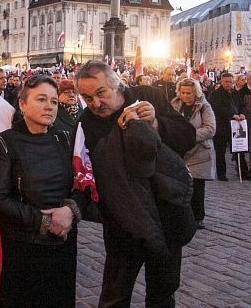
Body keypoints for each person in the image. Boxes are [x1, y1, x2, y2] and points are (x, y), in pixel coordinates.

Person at [75, 61, 196, 308]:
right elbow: (93, 169)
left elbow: (187, 136)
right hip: (124, 223)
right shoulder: (86, 121)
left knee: (162, 294)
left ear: (116, 85)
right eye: (87, 98)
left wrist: (156, 124)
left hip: (166, 215)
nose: (96, 104)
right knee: (115, 295)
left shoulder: (149, 97)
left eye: (101, 93)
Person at [0, 75, 81, 308]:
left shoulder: (64, 139)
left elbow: (79, 183)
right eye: (41, 99)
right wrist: (45, 221)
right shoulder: (3, 143)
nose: (49, 106)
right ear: (22, 104)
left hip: (63, 245)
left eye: (54, 101)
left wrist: (70, 211)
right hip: (24, 247)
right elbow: (0, 199)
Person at [170, 78, 216, 229]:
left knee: (196, 186)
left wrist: (190, 135)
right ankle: (182, 215)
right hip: (179, 150)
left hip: (198, 151)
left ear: (195, 92)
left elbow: (210, 129)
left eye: (188, 93)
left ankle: (197, 217)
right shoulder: (175, 104)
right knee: (180, 185)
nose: (185, 96)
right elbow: (169, 122)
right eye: (182, 92)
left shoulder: (204, 107)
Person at [210, 72, 246, 181]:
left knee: (239, 149)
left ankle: (243, 172)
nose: (228, 84)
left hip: (235, 126)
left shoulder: (236, 93)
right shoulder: (215, 94)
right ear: (221, 81)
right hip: (221, 127)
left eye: (230, 82)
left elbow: (241, 105)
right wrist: (231, 115)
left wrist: (242, 113)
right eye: (226, 82)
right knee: (220, 152)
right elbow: (217, 108)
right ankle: (221, 174)